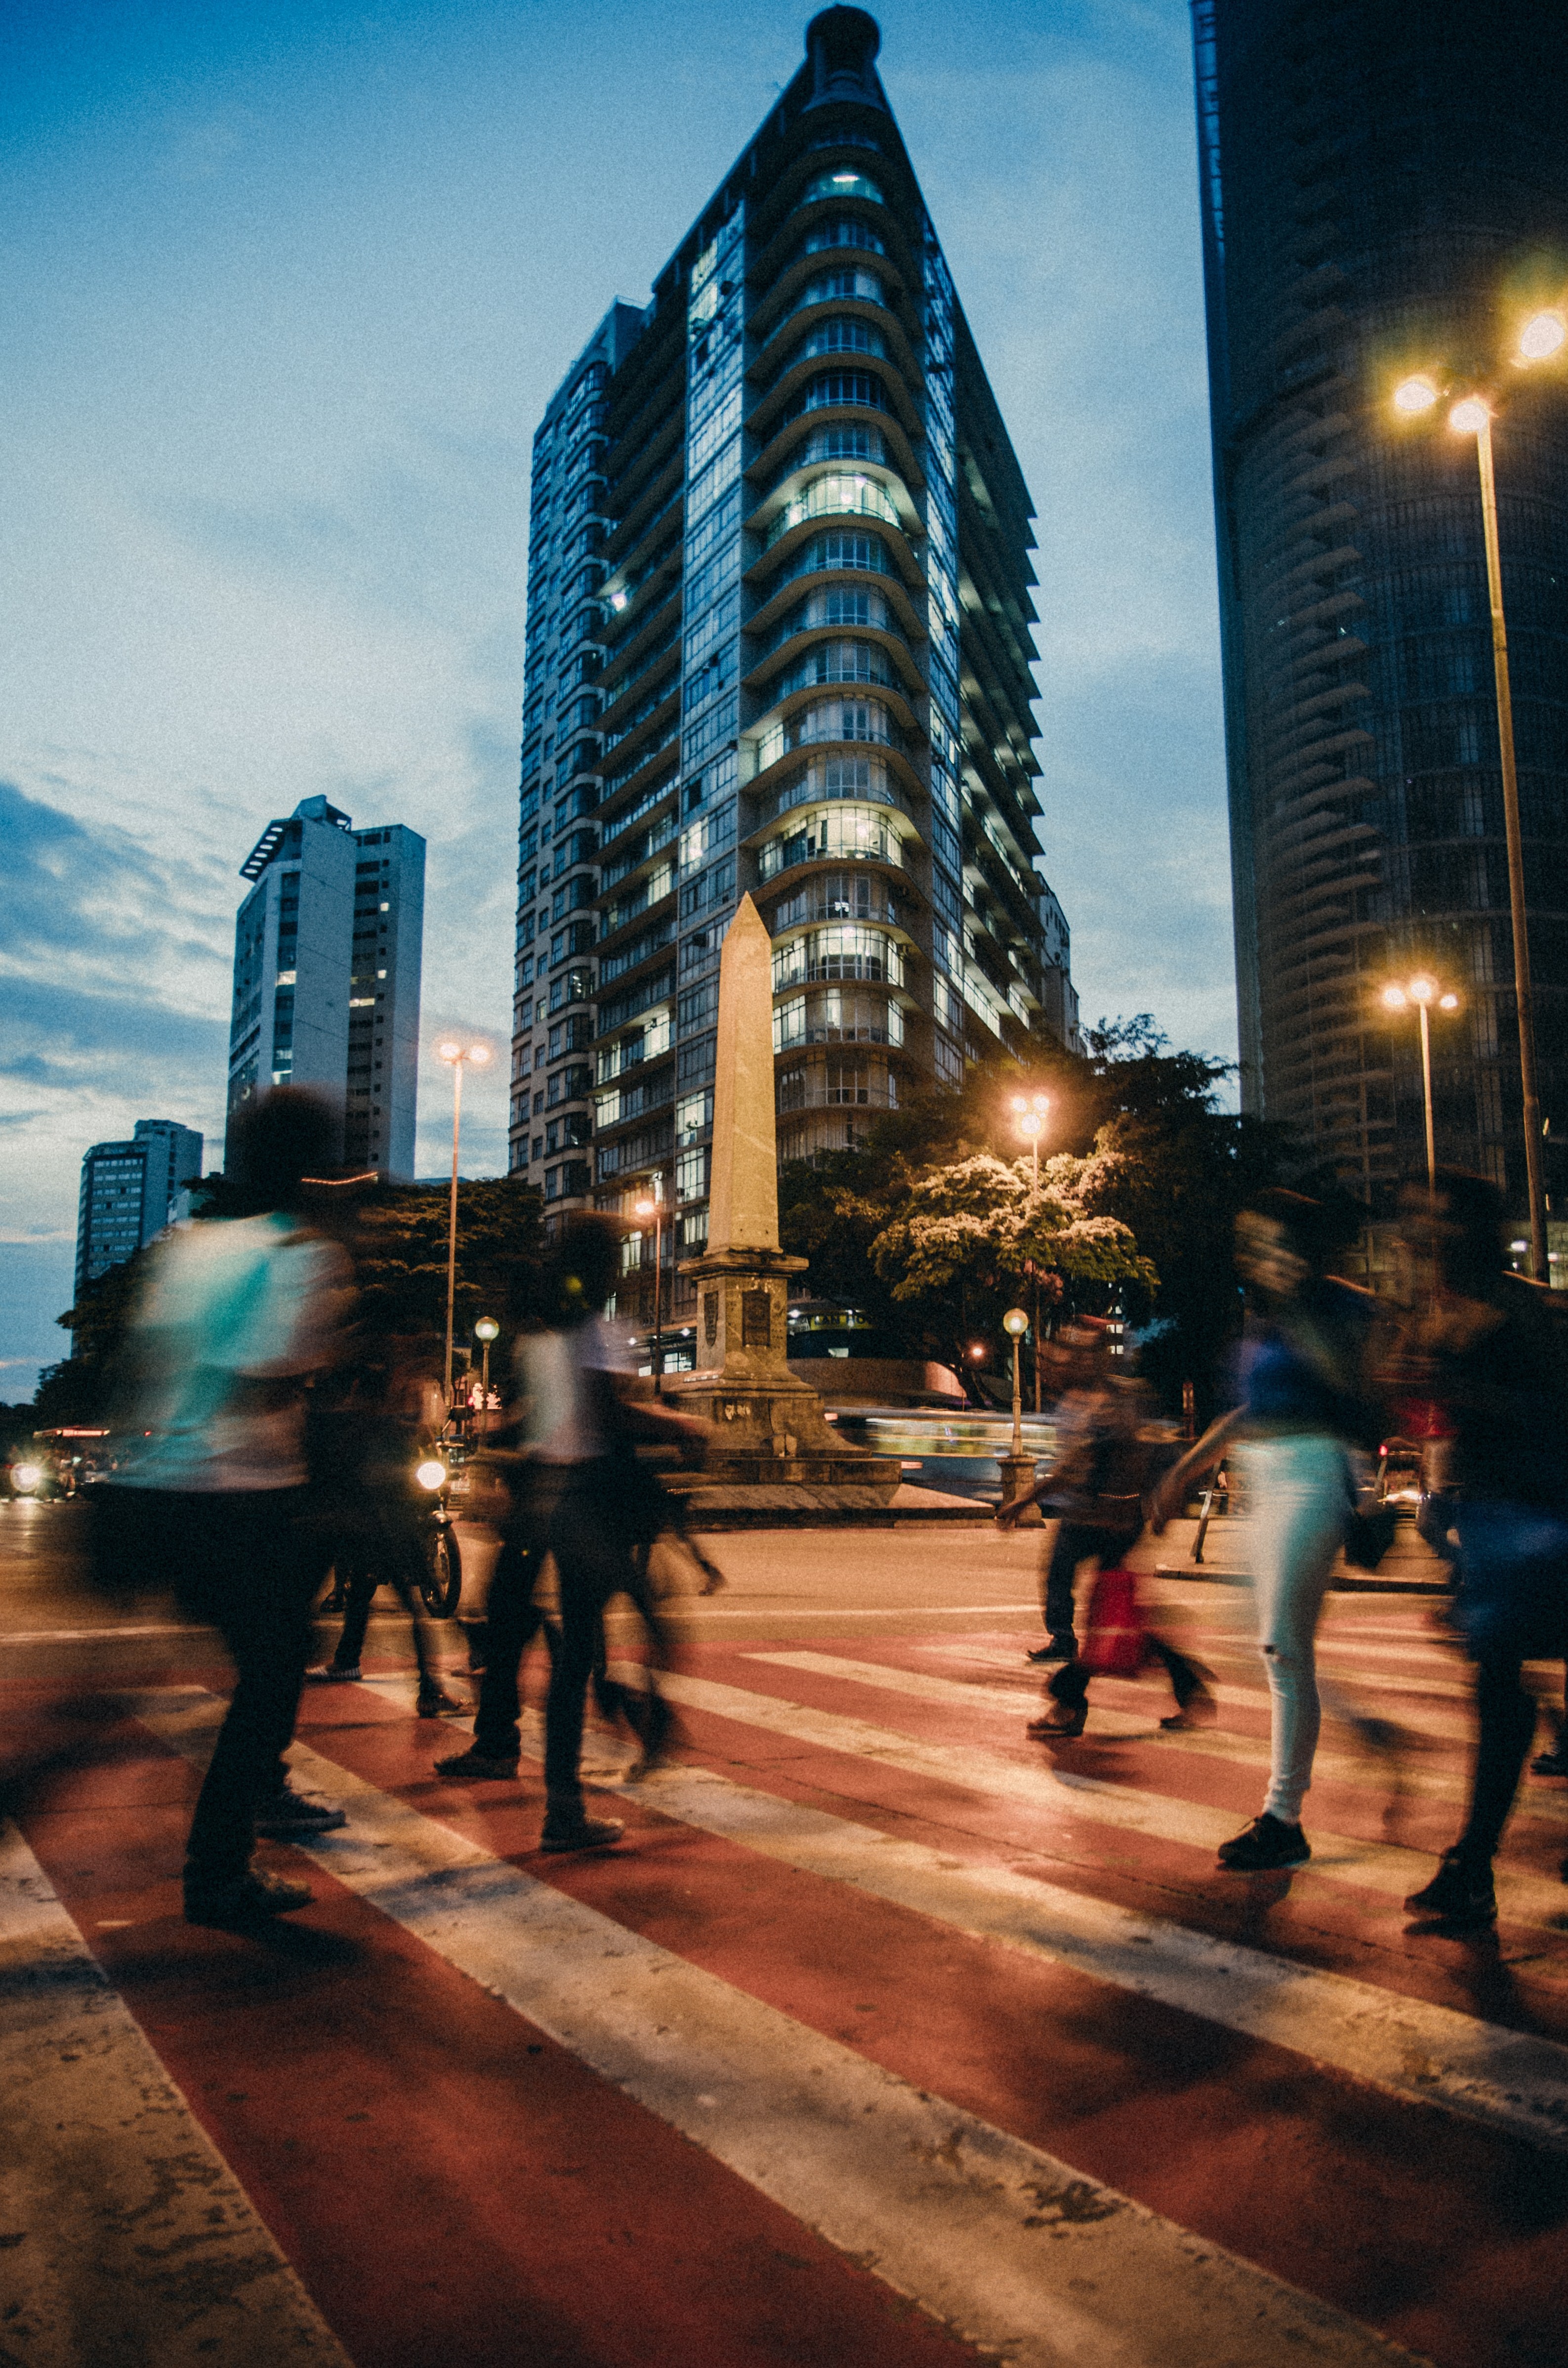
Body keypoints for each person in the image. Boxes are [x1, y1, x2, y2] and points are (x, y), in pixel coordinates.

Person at [96, 1091, 357, 1928]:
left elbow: (142, 1360)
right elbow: (267, 1370)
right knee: (275, 1675)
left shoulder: (190, 1246)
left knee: (98, 1705)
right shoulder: (300, 1253)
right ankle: (218, 1870)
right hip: (241, 1496)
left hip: (152, 1486)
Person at [437, 1214, 707, 1853]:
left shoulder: (537, 1336)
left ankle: (543, 1773)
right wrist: (681, 1428)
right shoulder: (596, 1332)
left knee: (547, 1643)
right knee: (588, 1650)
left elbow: (539, 1419)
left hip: (539, 1500)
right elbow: (606, 1412)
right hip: (584, 1500)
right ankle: (566, 1807)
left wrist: (494, 1438)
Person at [1152, 1189, 1382, 1873]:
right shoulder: (1261, 1318)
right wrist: (1184, 1471)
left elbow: (1358, 1392)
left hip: (1317, 1471)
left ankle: (1283, 1818)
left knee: (1282, 1646)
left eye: (1269, 1240)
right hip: (1259, 1475)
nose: (1256, 1255)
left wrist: (1300, 1307)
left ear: (1302, 1245)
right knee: (1263, 1639)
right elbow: (1246, 1412)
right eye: (1249, 1242)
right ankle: (1362, 1733)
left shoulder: (1342, 1305)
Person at [1395, 1171, 1568, 1929]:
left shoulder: (1508, 1310)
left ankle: (1471, 1864)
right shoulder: (1462, 1311)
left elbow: (1544, 1411)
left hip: (1538, 1514)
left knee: (1501, 1687)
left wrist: (1455, 1390)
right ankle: (1470, 1864)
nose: (1422, 1237)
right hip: (1501, 1515)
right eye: (1414, 1223)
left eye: (1437, 1222)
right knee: (1501, 1683)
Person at [303, 1338, 464, 1715]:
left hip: (381, 1506)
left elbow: (421, 1437)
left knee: (374, 1590)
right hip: (383, 1509)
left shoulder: (390, 1395)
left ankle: (354, 1660)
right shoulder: (380, 1394)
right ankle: (427, 1684)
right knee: (399, 1595)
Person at [999, 1321, 1148, 1662]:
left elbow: (1087, 1464)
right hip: (1084, 1512)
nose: (1075, 1363)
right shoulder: (1072, 1402)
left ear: (1101, 1360)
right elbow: (1075, 1465)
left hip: (1109, 1514)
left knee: (1105, 1590)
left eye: (1085, 1356)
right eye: (1073, 1357)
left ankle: (1115, 1646)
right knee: (1063, 1578)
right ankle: (1067, 1642)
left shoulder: (1116, 1400)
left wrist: (1024, 1499)